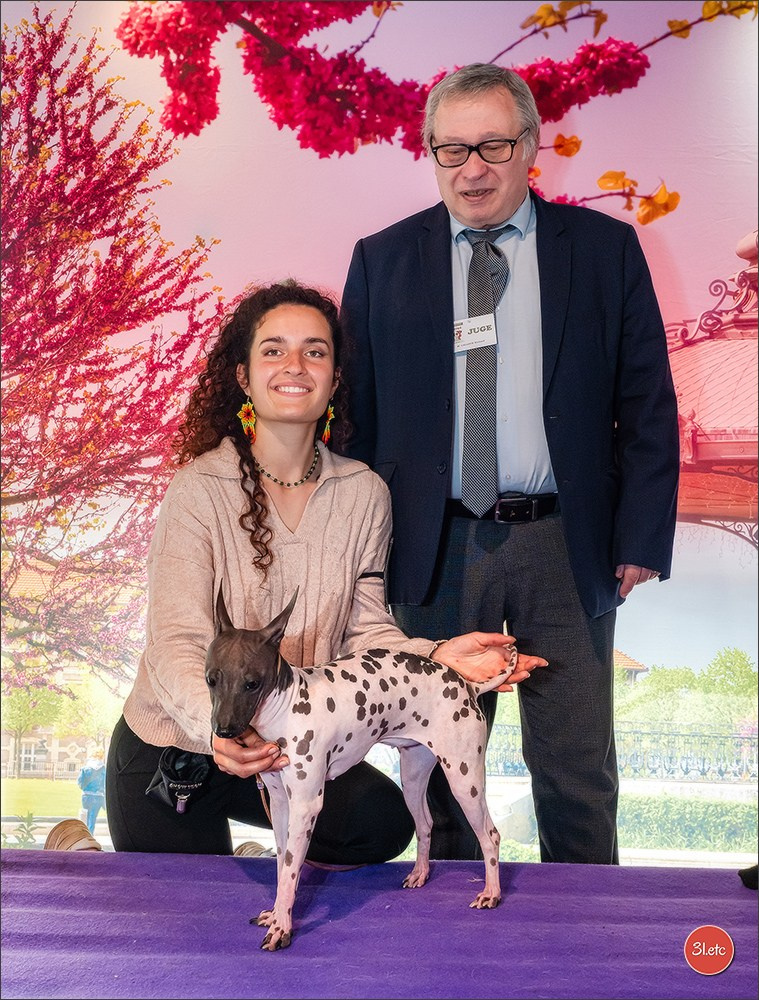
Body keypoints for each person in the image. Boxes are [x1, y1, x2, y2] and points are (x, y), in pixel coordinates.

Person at [339, 63, 680, 864]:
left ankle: (584, 938)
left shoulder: (602, 251)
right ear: (429, 153)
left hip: (564, 541)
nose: (472, 168)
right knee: (438, 760)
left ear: (530, 148)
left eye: (492, 145)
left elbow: (646, 402)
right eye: (449, 149)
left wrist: (639, 537)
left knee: (574, 766)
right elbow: (356, 423)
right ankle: (451, 938)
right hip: (431, 546)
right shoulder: (381, 259)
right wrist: (358, 557)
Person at [105, 279, 547, 862]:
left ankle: (266, 854)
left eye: (315, 351)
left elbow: (365, 631)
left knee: (382, 823)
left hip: (292, 744)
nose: (295, 365)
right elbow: (177, 642)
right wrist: (216, 732)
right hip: (179, 753)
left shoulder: (365, 494)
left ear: (335, 379)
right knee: (194, 933)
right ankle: (105, 851)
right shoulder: (196, 491)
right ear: (242, 375)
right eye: (273, 350)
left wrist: (434, 656)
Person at [77, 750, 106, 834]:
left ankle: (85, 834)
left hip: (86, 796)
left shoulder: (85, 768)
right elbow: (105, 783)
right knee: (93, 818)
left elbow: (80, 782)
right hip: (98, 796)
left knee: (86, 815)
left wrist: (85, 788)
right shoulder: (103, 769)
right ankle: (90, 834)